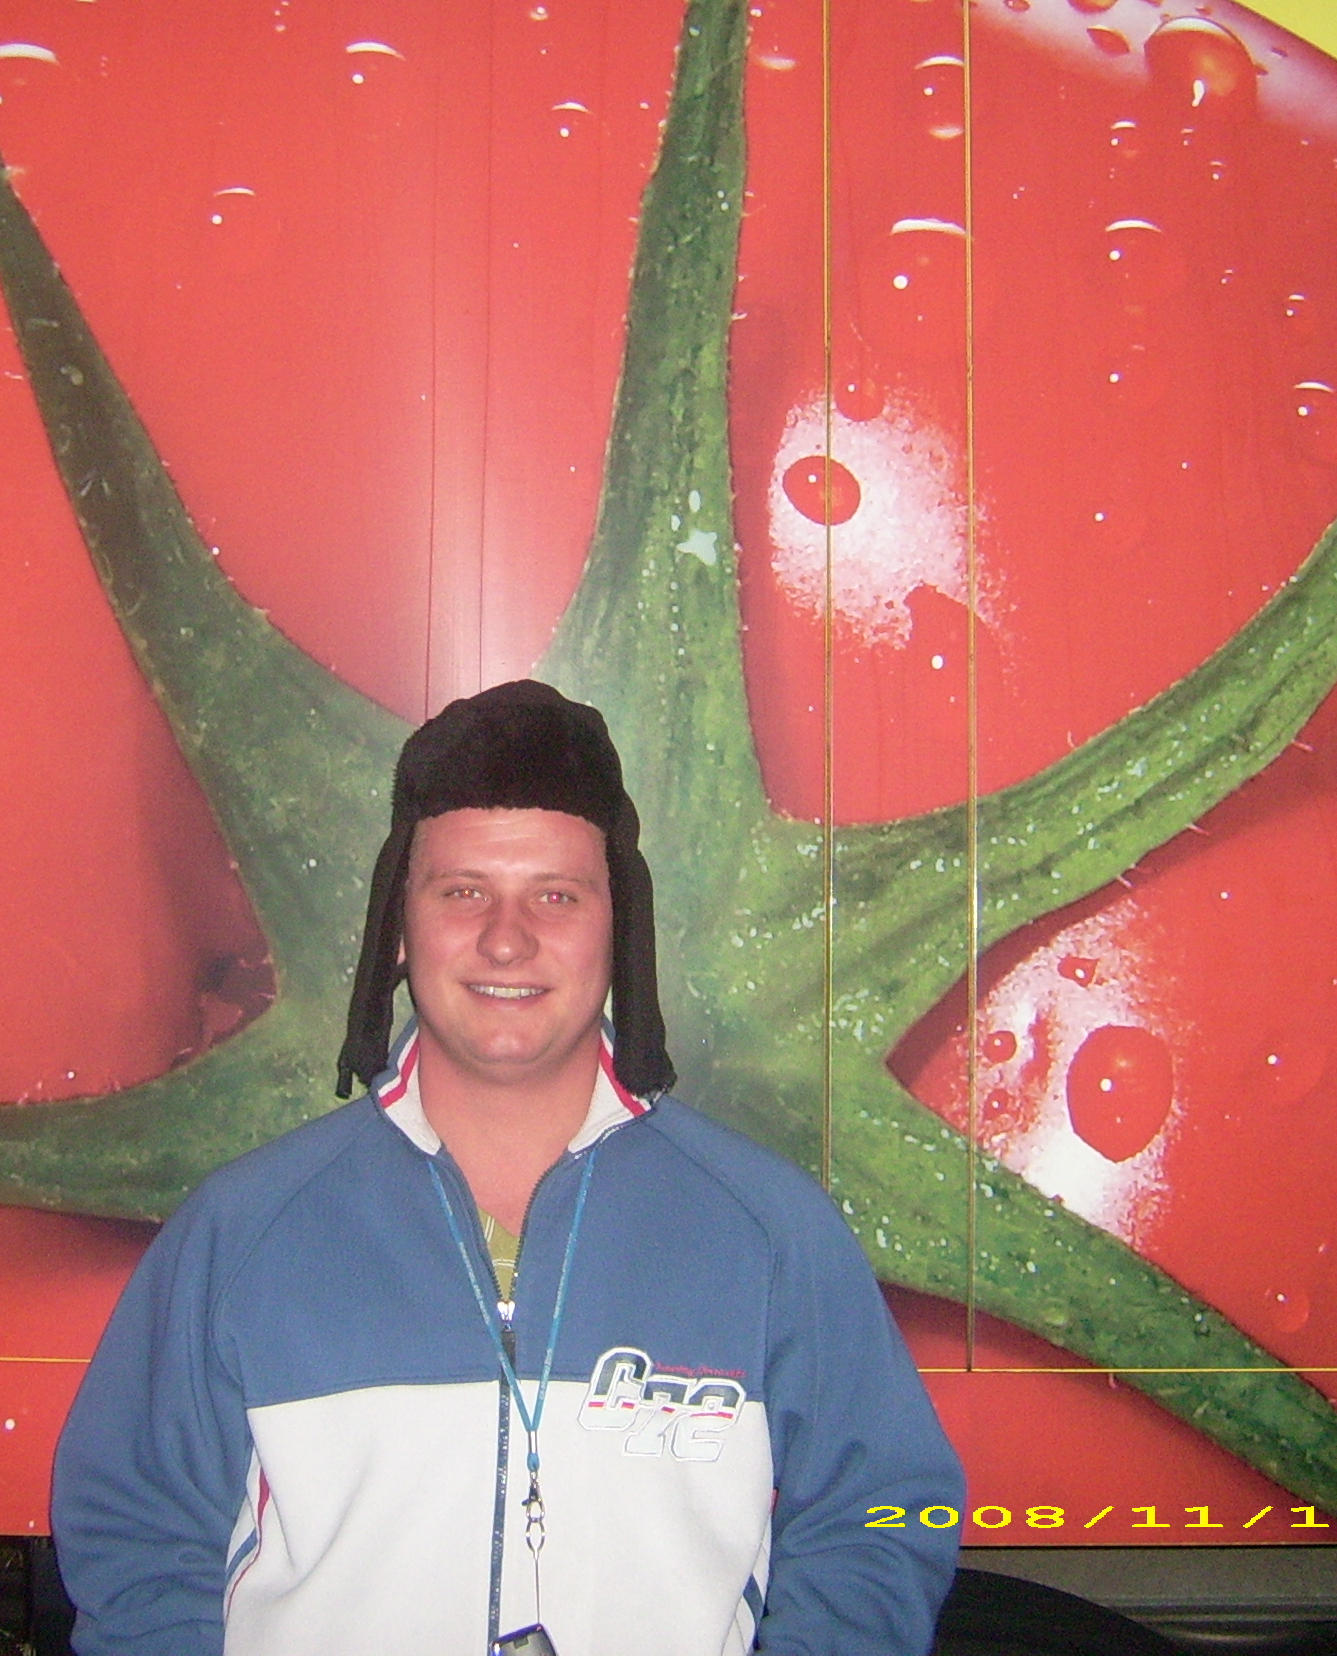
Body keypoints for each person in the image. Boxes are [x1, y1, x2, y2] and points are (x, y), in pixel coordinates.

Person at [53, 680, 963, 1654]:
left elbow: (887, 1510)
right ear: (398, 924)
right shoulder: (242, 1230)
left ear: (619, 924)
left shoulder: (770, 1230)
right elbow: (135, 1538)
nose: (505, 937)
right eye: (463, 891)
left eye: (556, 896)